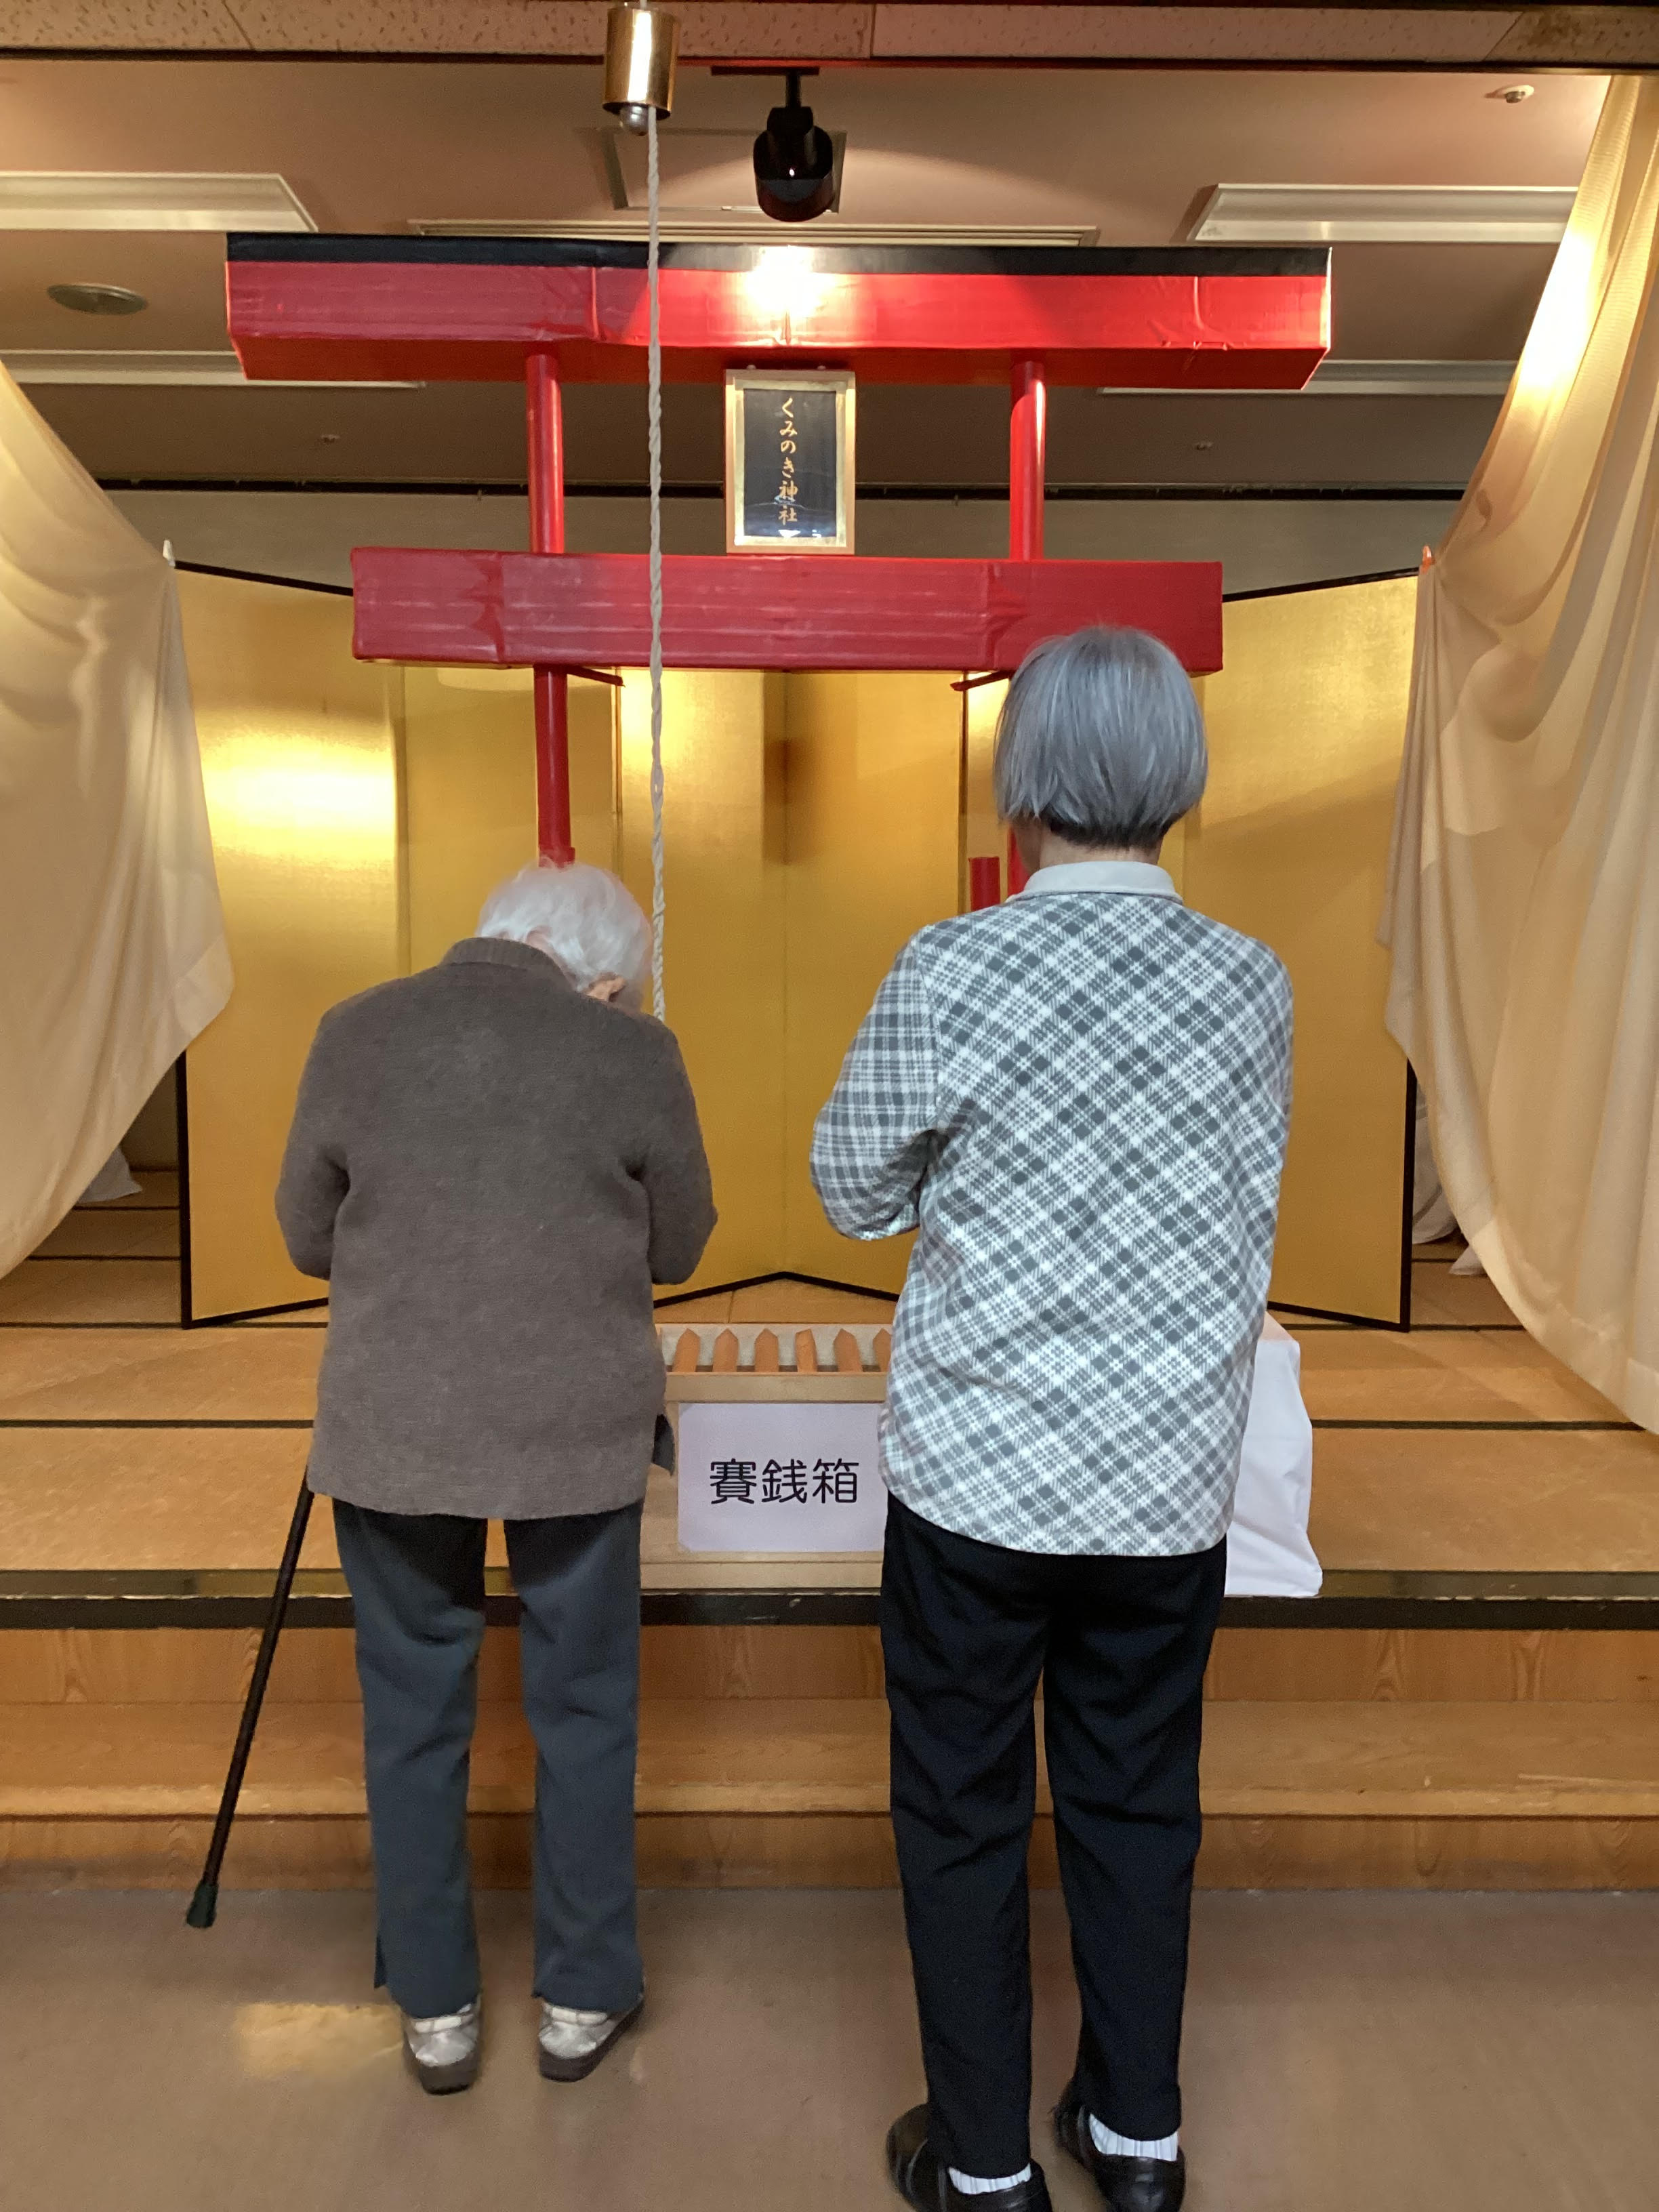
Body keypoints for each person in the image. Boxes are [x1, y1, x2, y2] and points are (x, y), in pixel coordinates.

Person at [812, 627, 1292, 2212]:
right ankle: (1140, 2146)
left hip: (979, 1475)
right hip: (1166, 1483)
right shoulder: (1250, 983)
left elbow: (848, 1185)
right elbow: (1247, 1207)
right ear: (1176, 775)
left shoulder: (955, 964)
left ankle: (983, 2167)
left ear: (1023, 783)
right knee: (1141, 1800)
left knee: (959, 1816)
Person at [276, 861, 715, 2095]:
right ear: (609, 979)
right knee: (585, 1713)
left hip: (394, 1429)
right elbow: (682, 1241)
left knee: (413, 1717)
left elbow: (306, 1235)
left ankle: (436, 2010)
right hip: (573, 1431)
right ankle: (580, 1997)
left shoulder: (353, 1029)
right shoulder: (633, 1051)